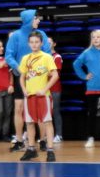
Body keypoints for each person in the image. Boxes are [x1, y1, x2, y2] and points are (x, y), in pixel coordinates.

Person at [6, 10, 50, 151]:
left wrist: (41, 71)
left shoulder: (41, 34)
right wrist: (19, 69)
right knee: (19, 109)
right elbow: (9, 56)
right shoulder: (16, 36)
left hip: (38, 78)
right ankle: (19, 141)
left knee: (40, 110)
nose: (39, 21)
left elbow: (47, 54)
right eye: (36, 18)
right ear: (29, 19)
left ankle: (42, 140)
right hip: (22, 77)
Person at [19, 32, 59, 162]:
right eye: (32, 42)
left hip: (44, 96)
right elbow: (22, 77)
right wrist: (24, 89)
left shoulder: (47, 57)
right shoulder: (25, 58)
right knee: (29, 123)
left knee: (47, 122)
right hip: (29, 96)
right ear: (28, 43)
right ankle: (31, 149)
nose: (34, 44)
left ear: (41, 43)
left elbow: (55, 76)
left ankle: (50, 150)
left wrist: (45, 89)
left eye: (37, 42)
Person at [48, 37, 64, 144]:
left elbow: (55, 74)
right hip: (44, 89)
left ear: (54, 44)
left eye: (49, 42)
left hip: (54, 89)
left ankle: (59, 134)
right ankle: (46, 135)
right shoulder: (42, 56)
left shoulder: (56, 57)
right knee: (46, 113)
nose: (47, 44)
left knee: (55, 111)